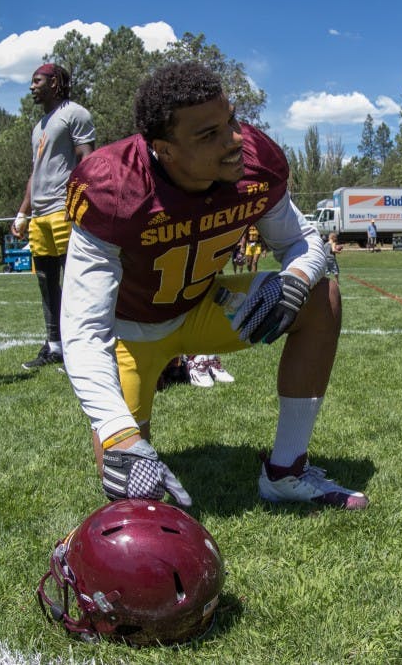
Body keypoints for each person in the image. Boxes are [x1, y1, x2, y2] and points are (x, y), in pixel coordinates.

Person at [59, 62, 368, 511]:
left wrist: (296, 281)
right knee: (134, 489)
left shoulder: (254, 163)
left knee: (321, 296)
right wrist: (116, 429)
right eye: (208, 135)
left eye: (232, 121)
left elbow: (302, 240)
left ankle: (286, 471)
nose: (234, 140)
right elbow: (84, 329)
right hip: (131, 334)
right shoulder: (114, 185)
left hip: (205, 307)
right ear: (163, 149)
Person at [12, 63, 95, 371]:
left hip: (65, 210)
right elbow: (35, 173)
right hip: (40, 215)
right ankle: (54, 346)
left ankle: (79, 347)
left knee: (75, 282)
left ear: (56, 83)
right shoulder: (40, 125)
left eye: (38, 81)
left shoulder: (75, 114)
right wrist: (23, 211)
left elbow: (88, 159)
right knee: (47, 283)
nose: (32, 86)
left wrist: (80, 201)